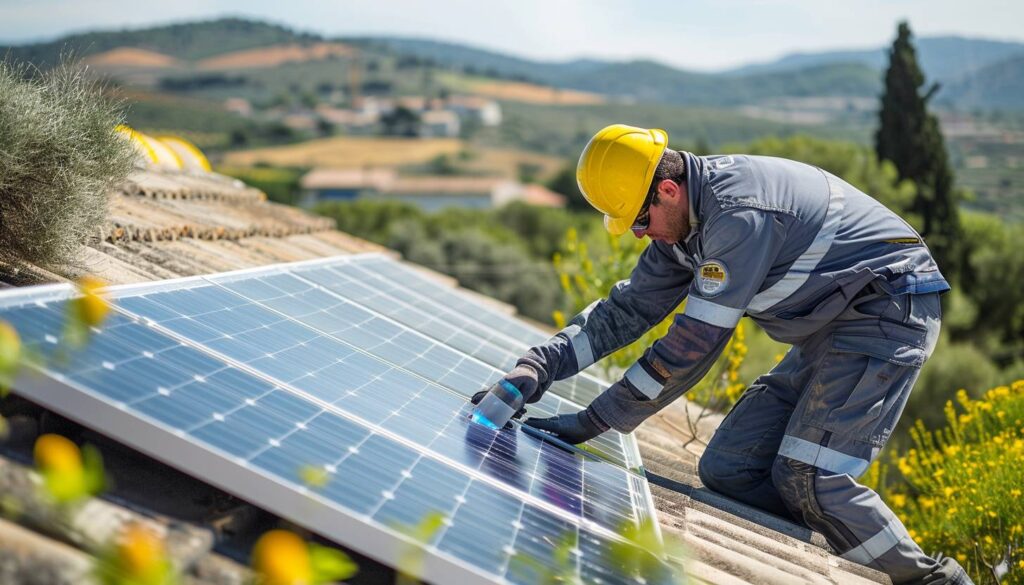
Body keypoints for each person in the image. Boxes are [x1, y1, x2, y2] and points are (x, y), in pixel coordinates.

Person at [473, 124, 973, 584]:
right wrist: (538, 366)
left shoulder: (739, 217)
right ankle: (830, 535)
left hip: (887, 311)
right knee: (731, 469)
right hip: (831, 325)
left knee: (810, 476)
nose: (639, 233)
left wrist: (595, 420)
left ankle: (932, 580)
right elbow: (625, 311)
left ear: (668, 190)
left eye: (640, 220)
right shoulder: (685, 224)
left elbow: (693, 344)